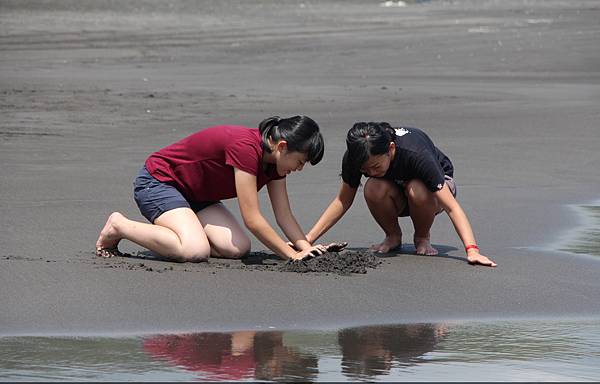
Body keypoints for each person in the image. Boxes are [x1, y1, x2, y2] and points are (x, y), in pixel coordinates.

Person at [95, 115, 331, 262]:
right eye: (300, 162)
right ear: (281, 146)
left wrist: (306, 249)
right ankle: (119, 226)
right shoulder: (246, 149)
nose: (299, 168)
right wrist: (291, 255)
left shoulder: (276, 164)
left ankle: (185, 229)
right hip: (159, 182)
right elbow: (252, 218)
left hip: (198, 196)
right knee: (194, 251)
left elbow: (284, 215)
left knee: (238, 249)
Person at [305, 122, 497, 267]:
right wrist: (307, 240)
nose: (370, 172)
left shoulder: (415, 152)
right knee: (373, 187)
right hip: (396, 191)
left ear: (391, 148)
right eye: (365, 170)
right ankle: (393, 236)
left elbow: (452, 208)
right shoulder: (356, 157)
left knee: (417, 188)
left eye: (376, 166)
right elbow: (342, 201)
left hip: (433, 193)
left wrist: (472, 251)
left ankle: (422, 237)